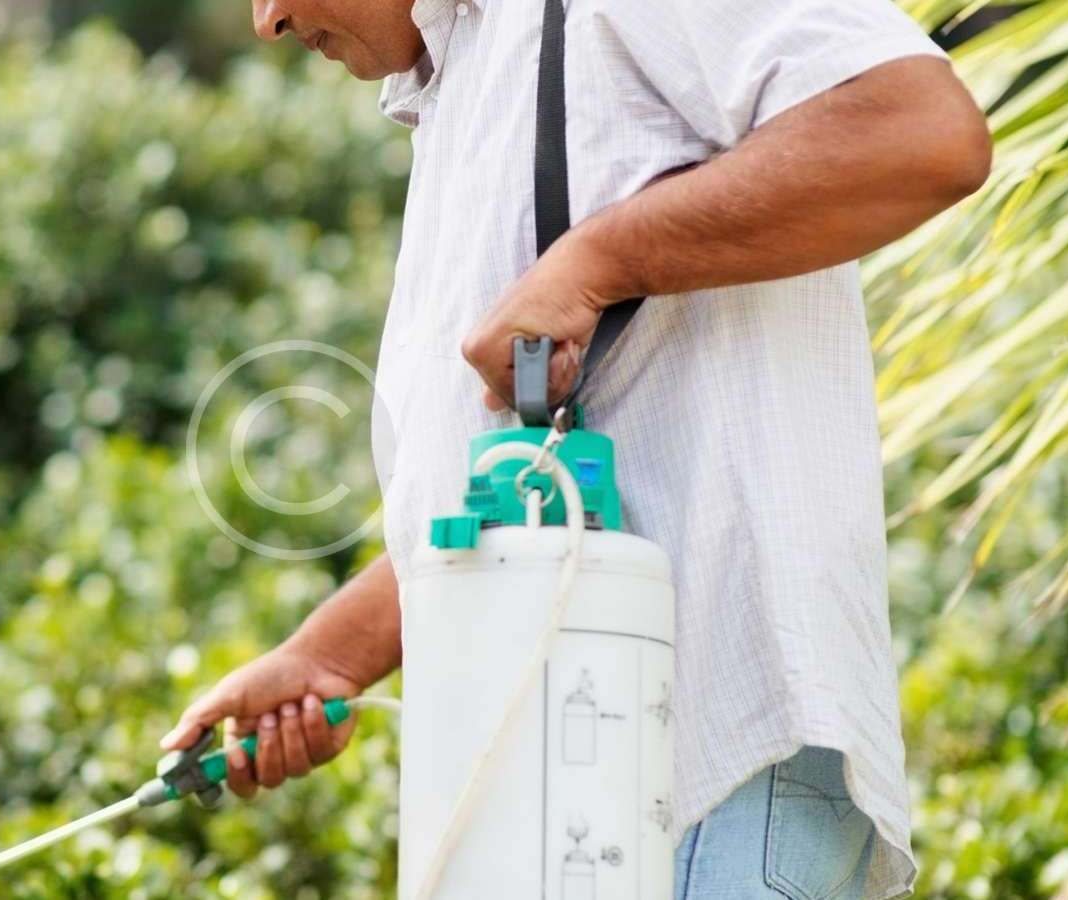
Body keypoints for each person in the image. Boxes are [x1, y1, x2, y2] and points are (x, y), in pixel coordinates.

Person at [160, 0, 992, 896]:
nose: (269, 21)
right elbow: (537, 494)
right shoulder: (471, 69)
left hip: (708, 763)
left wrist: (600, 261)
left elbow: (921, 131)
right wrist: (329, 656)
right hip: (583, 784)